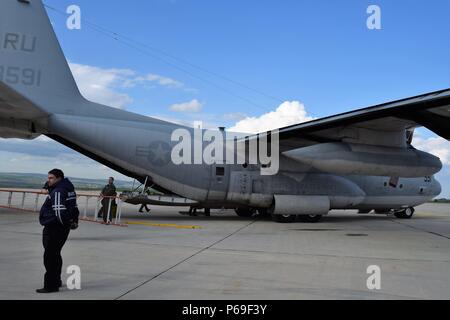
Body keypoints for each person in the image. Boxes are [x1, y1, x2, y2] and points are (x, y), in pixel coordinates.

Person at [37, 169, 79, 294]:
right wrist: (73, 222)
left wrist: (63, 224)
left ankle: (50, 285)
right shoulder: (68, 189)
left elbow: (59, 212)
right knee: (55, 254)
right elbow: (75, 207)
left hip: (54, 227)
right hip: (62, 228)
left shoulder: (59, 191)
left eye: (51, 178)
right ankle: (56, 280)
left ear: (59, 178)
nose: (48, 180)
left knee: (49, 256)